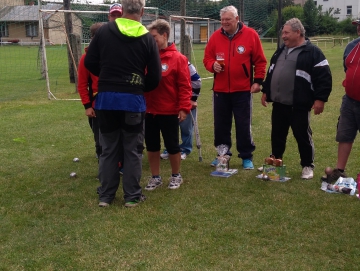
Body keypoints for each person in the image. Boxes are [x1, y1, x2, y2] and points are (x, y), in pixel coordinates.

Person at [84, 0, 162, 207]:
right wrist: (137, 85)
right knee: (133, 149)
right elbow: (155, 76)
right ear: (143, 11)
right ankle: (132, 196)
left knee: (108, 149)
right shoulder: (147, 37)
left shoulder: (104, 31)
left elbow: (89, 61)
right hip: (133, 100)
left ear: (123, 10)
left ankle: (106, 196)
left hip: (106, 99)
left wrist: (108, 76)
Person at [261, 18, 332, 179]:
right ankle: (275, 160)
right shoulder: (280, 50)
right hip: (279, 102)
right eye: (282, 33)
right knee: (277, 134)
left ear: (297, 32)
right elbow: (271, 72)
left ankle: (307, 165)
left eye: (286, 32)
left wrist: (320, 99)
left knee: (302, 135)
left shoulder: (313, 52)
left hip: (299, 104)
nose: (283, 36)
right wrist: (266, 90)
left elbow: (324, 78)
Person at [203, 5, 267, 170]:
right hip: (220, 90)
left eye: (228, 20)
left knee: (243, 124)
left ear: (237, 19)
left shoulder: (251, 35)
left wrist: (258, 81)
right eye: (222, 20)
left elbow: (260, 61)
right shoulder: (215, 37)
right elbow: (207, 58)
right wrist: (212, 65)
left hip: (242, 90)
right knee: (221, 125)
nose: (224, 22)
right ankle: (223, 155)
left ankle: (246, 156)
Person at [144, 19, 192, 191]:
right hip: (149, 110)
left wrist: (183, 107)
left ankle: (175, 175)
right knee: (152, 145)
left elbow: (185, 86)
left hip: (169, 110)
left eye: (154, 37)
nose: (152, 40)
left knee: (172, 145)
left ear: (164, 35)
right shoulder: (148, 57)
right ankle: (155, 177)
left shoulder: (178, 58)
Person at [326, 19, 360, 181]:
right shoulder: (352, 46)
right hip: (350, 100)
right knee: (345, 134)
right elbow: (348, 69)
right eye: (358, 25)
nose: (359, 28)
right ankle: (339, 170)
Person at [160, 61, 201, 160]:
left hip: (184, 100)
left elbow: (196, 80)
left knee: (186, 127)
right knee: (169, 127)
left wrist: (193, 99)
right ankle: (170, 148)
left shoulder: (184, 62)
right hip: (169, 101)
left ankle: (185, 149)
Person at [77, 22, 104, 161]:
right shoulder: (86, 58)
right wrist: (87, 106)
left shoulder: (113, 54)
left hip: (113, 100)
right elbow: (82, 84)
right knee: (98, 133)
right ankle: (101, 156)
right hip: (96, 102)